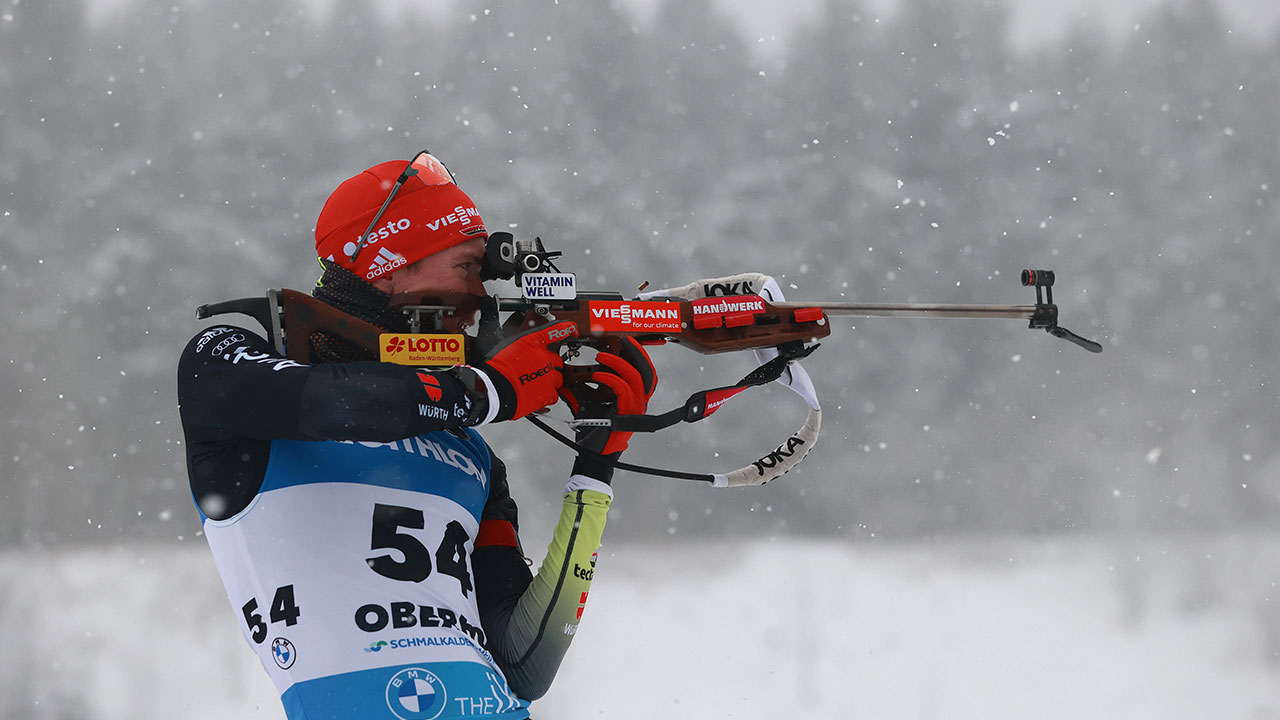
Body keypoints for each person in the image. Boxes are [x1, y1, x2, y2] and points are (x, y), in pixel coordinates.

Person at [177, 151, 656, 720]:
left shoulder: (470, 452)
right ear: (389, 266)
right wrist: (489, 390)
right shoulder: (226, 360)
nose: (482, 294)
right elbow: (335, 401)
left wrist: (596, 465)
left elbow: (525, 662)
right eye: (466, 267)